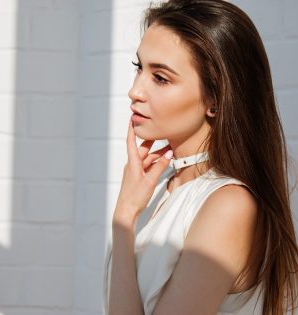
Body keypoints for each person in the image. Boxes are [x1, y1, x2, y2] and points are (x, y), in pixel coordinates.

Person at [102, 0, 298, 314]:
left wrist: (124, 217)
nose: (135, 91)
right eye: (139, 68)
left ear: (216, 100)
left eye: (161, 78)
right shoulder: (163, 187)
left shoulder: (229, 206)